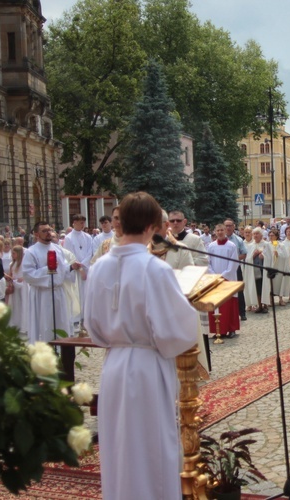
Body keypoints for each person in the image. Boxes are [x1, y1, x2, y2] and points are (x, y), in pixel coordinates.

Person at [84, 191, 198, 500]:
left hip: (114, 365)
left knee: (119, 448)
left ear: (120, 224)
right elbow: (177, 330)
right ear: (152, 225)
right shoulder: (155, 269)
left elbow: (92, 326)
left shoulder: (98, 269)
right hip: (147, 367)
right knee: (151, 448)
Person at [22, 222, 81, 342]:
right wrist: (47, 269)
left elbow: (62, 268)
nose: (49, 233)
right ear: (37, 234)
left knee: (61, 322)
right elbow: (28, 274)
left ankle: (61, 350)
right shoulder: (31, 251)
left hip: (59, 292)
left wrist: (71, 267)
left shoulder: (57, 249)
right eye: (44, 231)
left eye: (50, 230)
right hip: (42, 293)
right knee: (45, 324)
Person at [207, 224, 241, 338]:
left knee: (229, 305)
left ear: (225, 231)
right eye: (218, 230)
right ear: (215, 232)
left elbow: (233, 262)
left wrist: (224, 276)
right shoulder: (211, 246)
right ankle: (217, 330)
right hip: (215, 280)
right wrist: (214, 276)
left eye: (222, 230)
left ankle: (231, 329)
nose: (220, 232)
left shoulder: (231, 246)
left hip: (228, 280)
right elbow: (208, 262)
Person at [64, 214, 93, 334]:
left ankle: (85, 320)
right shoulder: (68, 238)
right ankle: (76, 320)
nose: (82, 225)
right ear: (74, 222)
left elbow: (90, 252)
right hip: (76, 271)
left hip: (86, 269)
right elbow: (69, 254)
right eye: (80, 222)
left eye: (83, 222)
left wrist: (84, 265)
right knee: (76, 295)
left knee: (86, 295)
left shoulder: (88, 237)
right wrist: (79, 268)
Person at [224, 219, 247, 322]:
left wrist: (234, 259)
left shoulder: (238, 240)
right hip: (223, 269)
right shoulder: (219, 240)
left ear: (234, 227)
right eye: (226, 226)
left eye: (230, 226)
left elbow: (244, 253)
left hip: (235, 268)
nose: (228, 228)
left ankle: (242, 313)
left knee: (239, 290)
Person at [245, 228, 271, 313]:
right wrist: (253, 255)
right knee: (257, 288)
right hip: (255, 270)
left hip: (264, 269)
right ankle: (259, 305)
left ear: (261, 235)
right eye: (254, 234)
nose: (255, 236)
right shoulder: (250, 246)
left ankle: (265, 305)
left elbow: (270, 257)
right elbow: (248, 259)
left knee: (265, 287)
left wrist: (264, 257)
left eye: (257, 234)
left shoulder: (266, 244)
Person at [7, 245, 28, 339]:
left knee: (23, 304)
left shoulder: (24, 263)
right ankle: (16, 322)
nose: (12, 255)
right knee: (15, 304)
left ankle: (24, 324)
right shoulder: (12, 263)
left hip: (23, 286)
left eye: (14, 253)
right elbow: (11, 274)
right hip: (15, 286)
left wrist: (23, 278)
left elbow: (27, 274)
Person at [268, 230, 290, 306]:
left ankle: (280, 299)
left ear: (276, 236)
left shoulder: (281, 245)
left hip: (279, 267)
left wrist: (278, 254)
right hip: (271, 267)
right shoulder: (267, 245)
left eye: (272, 236)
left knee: (279, 283)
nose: (271, 237)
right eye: (270, 236)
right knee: (270, 284)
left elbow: (286, 255)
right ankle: (271, 300)